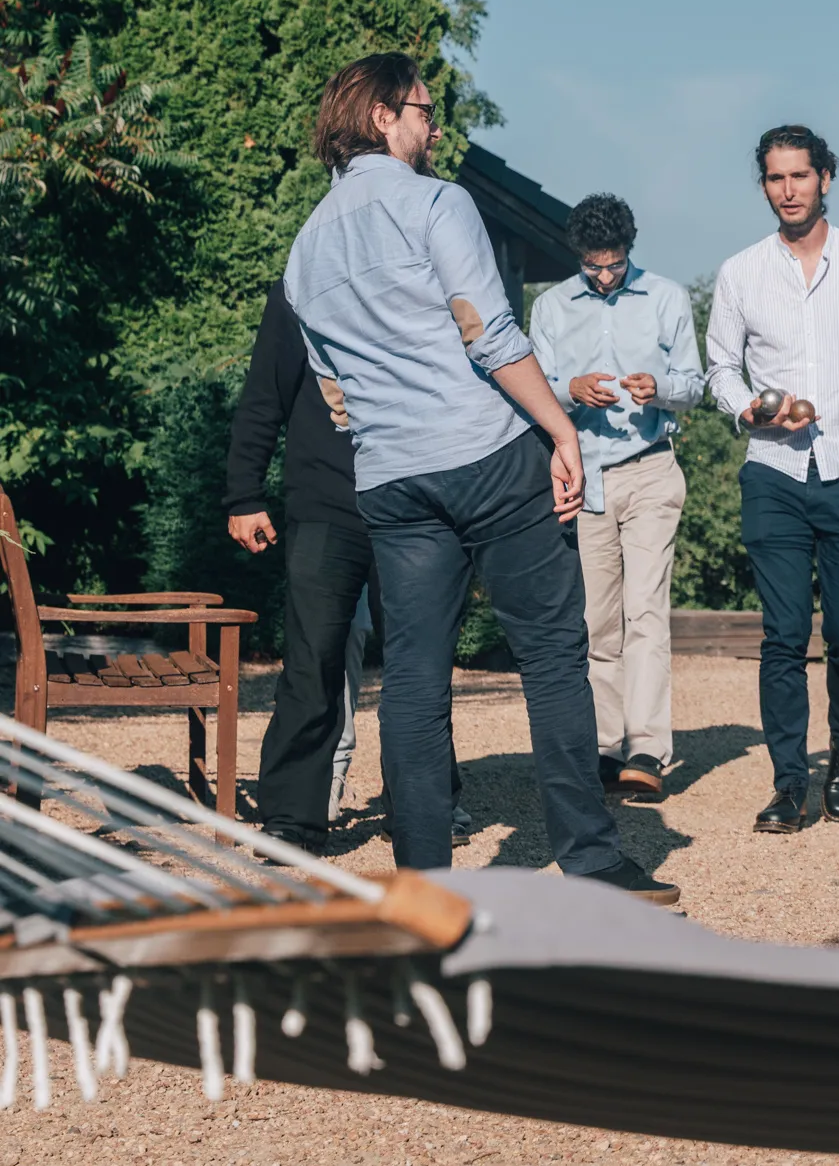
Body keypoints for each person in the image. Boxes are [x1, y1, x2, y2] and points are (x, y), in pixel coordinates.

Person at [282, 52, 672, 901]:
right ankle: (591, 858)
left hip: (390, 479)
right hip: (486, 458)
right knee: (553, 652)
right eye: (424, 112)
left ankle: (423, 882)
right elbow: (488, 331)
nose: (433, 129)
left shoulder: (304, 250)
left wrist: (390, 436)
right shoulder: (435, 202)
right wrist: (560, 429)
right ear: (383, 116)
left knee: (413, 676)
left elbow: (334, 392)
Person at [706, 125, 839, 833]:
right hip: (773, 473)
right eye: (775, 178)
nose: (788, 190)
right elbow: (719, 367)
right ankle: (788, 783)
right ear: (764, 185)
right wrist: (747, 406)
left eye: (800, 175)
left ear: (826, 178)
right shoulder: (741, 272)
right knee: (784, 635)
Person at [225, 282, 474, 853]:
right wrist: (243, 495)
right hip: (323, 503)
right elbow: (264, 395)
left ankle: (426, 807)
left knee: (419, 663)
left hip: (417, 502)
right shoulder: (298, 290)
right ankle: (293, 818)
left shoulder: (426, 281)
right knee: (311, 661)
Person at [530, 194, 704, 801]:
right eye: (593, 266)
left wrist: (660, 387)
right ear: (578, 255)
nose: (604, 276)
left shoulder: (667, 297)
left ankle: (647, 748)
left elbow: (695, 385)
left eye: (614, 264)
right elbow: (534, 387)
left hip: (651, 469)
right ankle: (606, 746)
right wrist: (571, 390)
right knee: (597, 621)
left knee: (646, 612)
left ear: (629, 249)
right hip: (584, 478)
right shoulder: (550, 307)